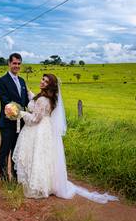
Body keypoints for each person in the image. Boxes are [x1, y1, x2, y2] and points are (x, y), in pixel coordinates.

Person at [12, 73, 118, 203]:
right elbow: (37, 103)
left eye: (46, 81)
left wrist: (20, 113)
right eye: (42, 79)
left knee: (37, 156)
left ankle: (38, 186)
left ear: (50, 86)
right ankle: (46, 183)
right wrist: (29, 92)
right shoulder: (49, 98)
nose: (42, 82)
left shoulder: (42, 100)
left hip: (38, 129)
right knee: (44, 158)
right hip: (46, 129)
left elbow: (35, 119)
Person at [0, 53, 29, 182]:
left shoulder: (22, 81)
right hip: (7, 122)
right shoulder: (2, 81)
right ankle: (4, 178)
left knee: (17, 150)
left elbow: (25, 100)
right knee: (5, 150)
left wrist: (37, 106)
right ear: (9, 64)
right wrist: (20, 112)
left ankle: (16, 176)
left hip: (21, 123)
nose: (17, 66)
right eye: (14, 63)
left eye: (19, 63)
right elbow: (6, 102)